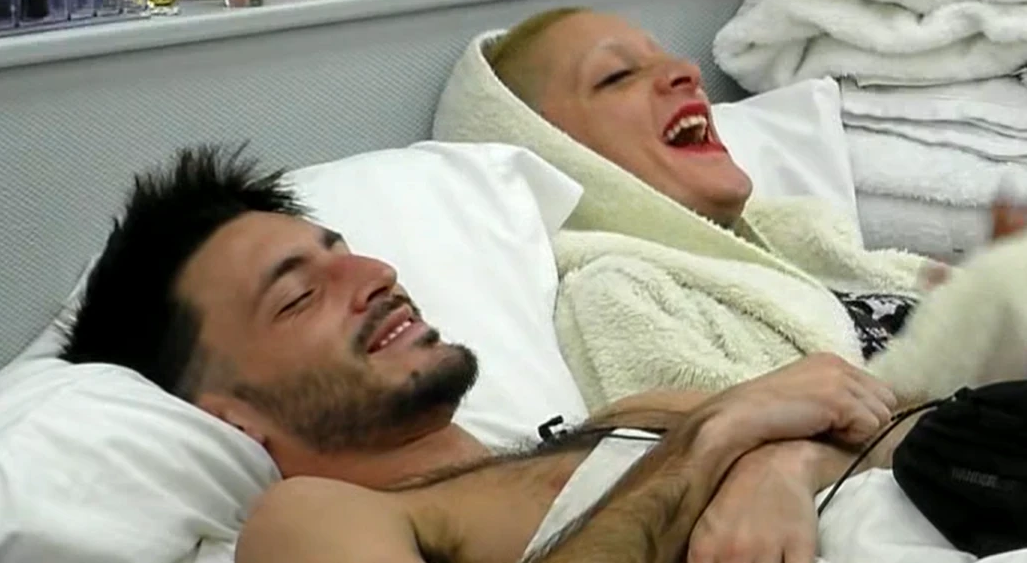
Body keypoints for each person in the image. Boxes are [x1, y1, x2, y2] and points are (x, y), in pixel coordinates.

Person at [61, 144, 905, 563]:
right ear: (231, 414)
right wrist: (723, 438)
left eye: (343, 251)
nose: (374, 274)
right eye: (298, 296)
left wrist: (780, 465)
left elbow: (909, 435)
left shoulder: (633, 420)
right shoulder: (311, 519)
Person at [431, 6, 1027, 412]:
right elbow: (740, 466)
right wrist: (989, 302)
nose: (687, 73)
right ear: (551, 151)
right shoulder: (619, 295)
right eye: (617, 76)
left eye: (669, 59)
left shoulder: (819, 250)